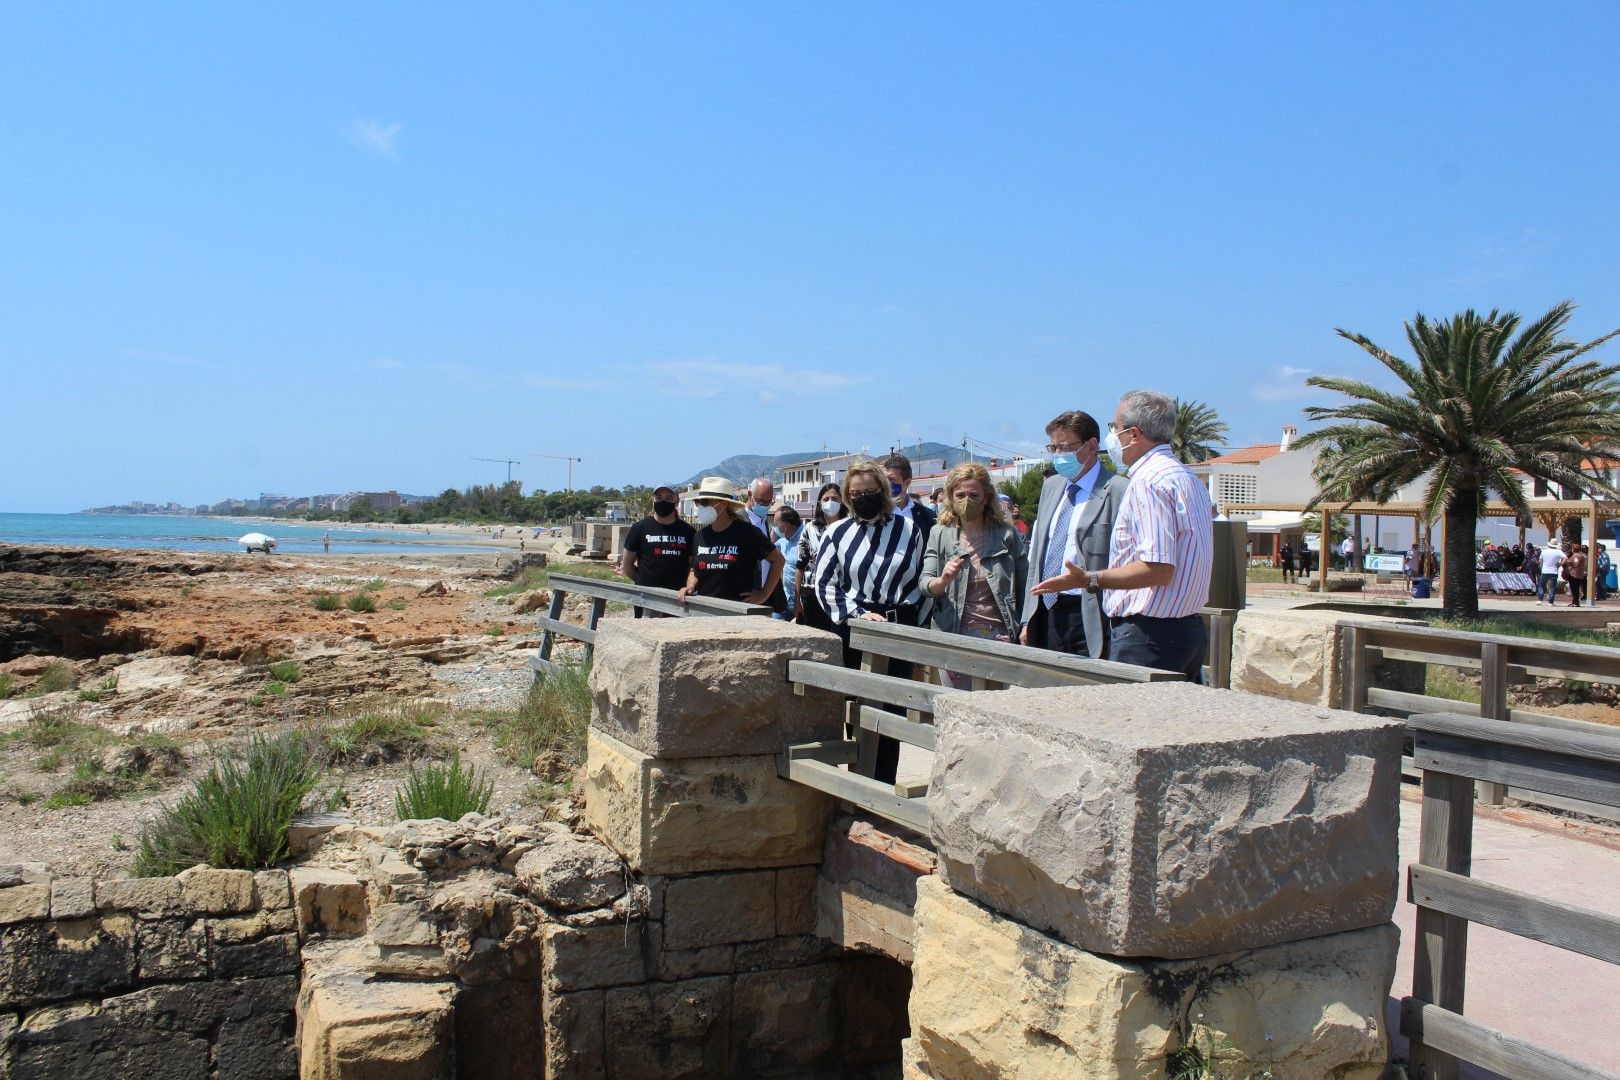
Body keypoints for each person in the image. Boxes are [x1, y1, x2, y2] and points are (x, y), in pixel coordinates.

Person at [1032, 390, 1213, 682]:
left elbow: (1158, 568)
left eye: (1115, 427)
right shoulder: (1185, 477)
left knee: (1136, 726)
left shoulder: (1147, 482)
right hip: (1185, 630)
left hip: (1149, 635)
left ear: (1134, 434)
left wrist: (1090, 579)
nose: (1113, 435)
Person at [813, 460, 925, 783]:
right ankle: (859, 783)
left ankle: (884, 787)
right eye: (856, 492)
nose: (863, 497)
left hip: (897, 627)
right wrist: (857, 615)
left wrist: (913, 631)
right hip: (855, 626)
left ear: (883, 490)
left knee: (892, 712)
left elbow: (919, 584)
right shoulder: (837, 533)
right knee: (857, 709)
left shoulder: (909, 531)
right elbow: (824, 584)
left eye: (870, 491)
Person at [1019, 410, 1129, 660]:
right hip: (1044, 612)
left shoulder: (1118, 490)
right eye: (1053, 448)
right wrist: (1027, 618)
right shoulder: (1051, 486)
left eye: (1065, 447)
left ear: (1091, 446)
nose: (1058, 455)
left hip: (1088, 614)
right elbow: (1038, 553)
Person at [919, 463, 1026, 688]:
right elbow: (925, 584)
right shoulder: (939, 534)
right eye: (960, 495)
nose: (966, 500)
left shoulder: (1008, 535)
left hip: (1000, 637)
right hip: (954, 637)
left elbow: (1025, 586)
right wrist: (943, 580)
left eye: (974, 494)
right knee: (956, 708)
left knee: (996, 709)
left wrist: (1025, 626)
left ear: (986, 497)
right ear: (950, 497)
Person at [677, 477, 783, 606]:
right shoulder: (699, 536)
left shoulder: (747, 532)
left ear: (724, 503)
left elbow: (778, 560)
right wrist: (689, 586)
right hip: (705, 611)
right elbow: (695, 570)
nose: (701, 507)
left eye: (706, 502)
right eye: (700, 503)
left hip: (737, 614)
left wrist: (763, 595)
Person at [620, 484, 696, 615]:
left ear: (676, 500)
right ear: (653, 500)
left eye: (669, 497)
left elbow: (692, 566)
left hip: (677, 599)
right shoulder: (639, 528)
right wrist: (642, 580)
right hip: (646, 598)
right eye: (659, 497)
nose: (663, 501)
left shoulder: (688, 531)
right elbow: (627, 565)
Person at [796, 482, 847, 632]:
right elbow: (800, 565)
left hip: (840, 593)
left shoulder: (850, 528)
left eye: (835, 498)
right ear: (819, 503)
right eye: (826, 499)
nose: (830, 502)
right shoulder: (810, 529)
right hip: (812, 594)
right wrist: (797, 600)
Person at [881, 453, 936, 543]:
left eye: (891, 479)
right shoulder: (876, 512)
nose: (885, 483)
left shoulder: (927, 516)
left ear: (907, 482)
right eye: (883, 479)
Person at [772, 505, 804, 621]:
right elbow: (770, 546)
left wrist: (799, 600)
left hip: (802, 601)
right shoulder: (783, 541)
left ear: (788, 523)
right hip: (786, 598)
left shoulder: (805, 538)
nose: (775, 527)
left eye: (776, 524)